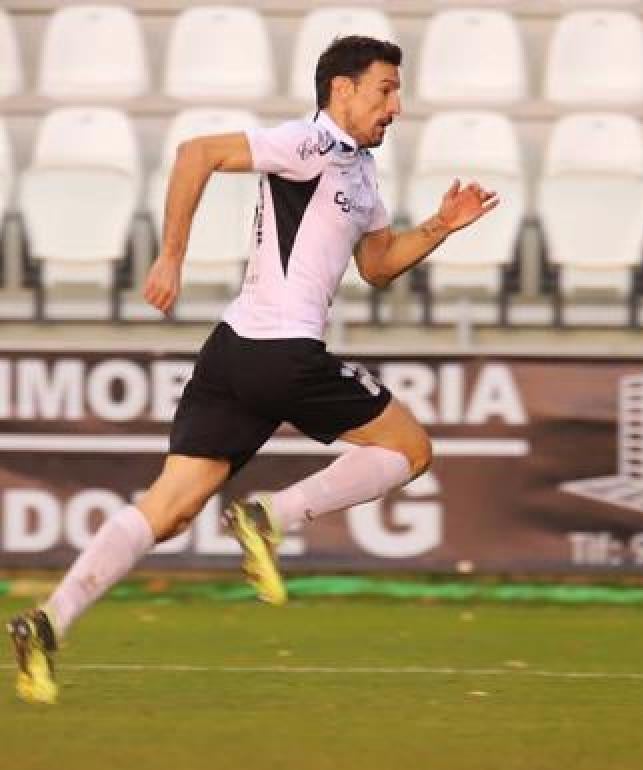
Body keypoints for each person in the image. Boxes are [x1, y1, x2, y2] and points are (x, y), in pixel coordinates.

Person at [6, 35, 498, 705]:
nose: (397, 105)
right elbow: (196, 153)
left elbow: (377, 263)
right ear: (343, 90)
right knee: (410, 449)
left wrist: (439, 225)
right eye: (385, 89)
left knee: (170, 508)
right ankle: (272, 516)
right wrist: (170, 256)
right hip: (282, 353)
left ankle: (48, 623)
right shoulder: (310, 143)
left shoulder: (358, 170)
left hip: (235, 353)